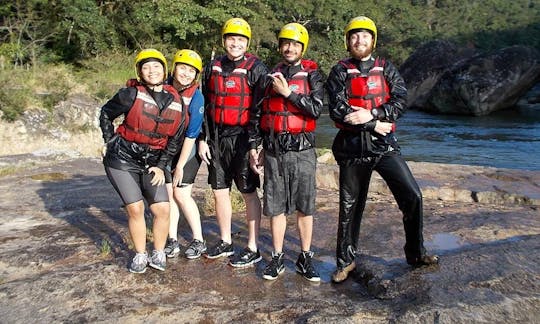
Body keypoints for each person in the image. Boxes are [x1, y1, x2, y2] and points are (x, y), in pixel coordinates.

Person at [326, 16, 439, 283]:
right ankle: (345, 262)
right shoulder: (339, 71)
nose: (359, 40)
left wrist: (373, 115)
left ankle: (415, 253)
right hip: (352, 149)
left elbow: (401, 99)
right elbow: (338, 110)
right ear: (347, 41)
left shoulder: (386, 68)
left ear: (373, 40)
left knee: (413, 196)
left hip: (384, 147)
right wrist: (375, 124)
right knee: (349, 206)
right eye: (354, 36)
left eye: (365, 36)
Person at [99, 49, 187, 273]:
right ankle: (140, 254)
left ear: (164, 70)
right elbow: (106, 113)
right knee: (136, 208)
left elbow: (175, 139)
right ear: (139, 72)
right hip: (122, 159)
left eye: (156, 66)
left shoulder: (177, 101)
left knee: (162, 210)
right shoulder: (129, 94)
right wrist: (109, 140)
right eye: (146, 67)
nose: (152, 71)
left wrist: (161, 165)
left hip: (153, 161)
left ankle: (158, 251)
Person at [248, 23, 324, 281]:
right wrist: (254, 146)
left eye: (295, 44)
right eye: (286, 43)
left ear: (302, 47)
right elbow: (257, 114)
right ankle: (278, 257)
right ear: (280, 46)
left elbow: (315, 109)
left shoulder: (313, 75)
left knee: (305, 206)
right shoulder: (269, 76)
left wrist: (288, 93)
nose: (290, 48)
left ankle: (305, 257)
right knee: (275, 206)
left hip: (302, 150)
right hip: (274, 150)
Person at [198, 17, 268, 267]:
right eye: (231, 38)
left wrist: (254, 145)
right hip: (216, 136)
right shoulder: (212, 67)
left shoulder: (256, 68)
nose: (235, 43)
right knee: (219, 190)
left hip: (242, 138)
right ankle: (226, 241)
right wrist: (203, 138)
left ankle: (253, 246)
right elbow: (204, 105)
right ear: (224, 40)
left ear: (246, 42)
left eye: (240, 39)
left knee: (248, 191)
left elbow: (261, 108)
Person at [161, 49, 207, 259]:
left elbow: (191, 134)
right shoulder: (162, 88)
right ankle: (172, 239)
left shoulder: (196, 97)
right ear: (174, 68)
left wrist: (179, 165)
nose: (186, 73)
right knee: (167, 193)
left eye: (191, 71)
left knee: (181, 193)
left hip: (187, 150)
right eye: (182, 68)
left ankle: (199, 240)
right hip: (165, 148)